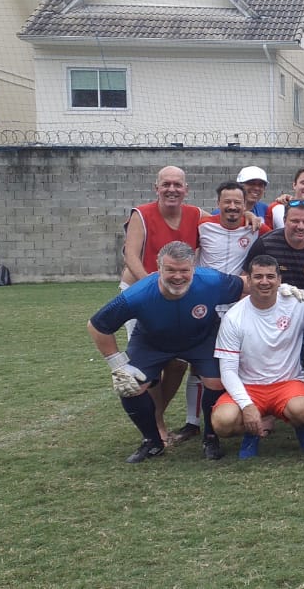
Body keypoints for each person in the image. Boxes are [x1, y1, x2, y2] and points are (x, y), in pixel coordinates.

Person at [87, 241, 244, 462]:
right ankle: (152, 442)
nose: (178, 276)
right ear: (158, 268)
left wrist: (281, 293)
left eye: (184, 270)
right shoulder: (138, 294)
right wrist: (118, 365)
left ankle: (211, 436)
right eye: (170, 270)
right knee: (129, 386)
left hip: (201, 338)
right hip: (152, 342)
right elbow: (97, 325)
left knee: (216, 382)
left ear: (193, 268)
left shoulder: (212, 281)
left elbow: (247, 285)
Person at [175, 181, 271, 444]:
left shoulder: (255, 228)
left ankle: (244, 412)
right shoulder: (202, 226)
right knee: (199, 367)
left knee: (240, 364)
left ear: (245, 205)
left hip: (238, 307)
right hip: (204, 308)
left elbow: (279, 237)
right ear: (217, 204)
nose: (232, 207)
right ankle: (192, 422)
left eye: (237, 203)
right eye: (226, 202)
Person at [119, 166, 204, 446]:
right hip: (141, 294)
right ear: (156, 188)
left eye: (177, 185)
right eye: (166, 184)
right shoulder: (141, 215)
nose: (172, 189)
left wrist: (252, 216)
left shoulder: (195, 214)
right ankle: (157, 424)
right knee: (150, 363)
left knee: (178, 362)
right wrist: (151, 290)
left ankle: (156, 413)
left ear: (186, 190)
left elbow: (229, 221)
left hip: (178, 296)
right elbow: (131, 255)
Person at [212, 255, 304, 459]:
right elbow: (227, 371)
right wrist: (246, 405)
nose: (264, 282)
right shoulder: (233, 317)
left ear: (279, 279)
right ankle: (252, 431)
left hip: (287, 383)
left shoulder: (295, 301)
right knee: (222, 423)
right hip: (250, 386)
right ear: (248, 280)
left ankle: (301, 428)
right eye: (258, 277)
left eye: (270, 276)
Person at [243, 200, 304, 383]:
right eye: (295, 221)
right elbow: (246, 281)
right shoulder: (266, 244)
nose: (301, 226)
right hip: (268, 313)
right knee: (269, 364)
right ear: (285, 220)